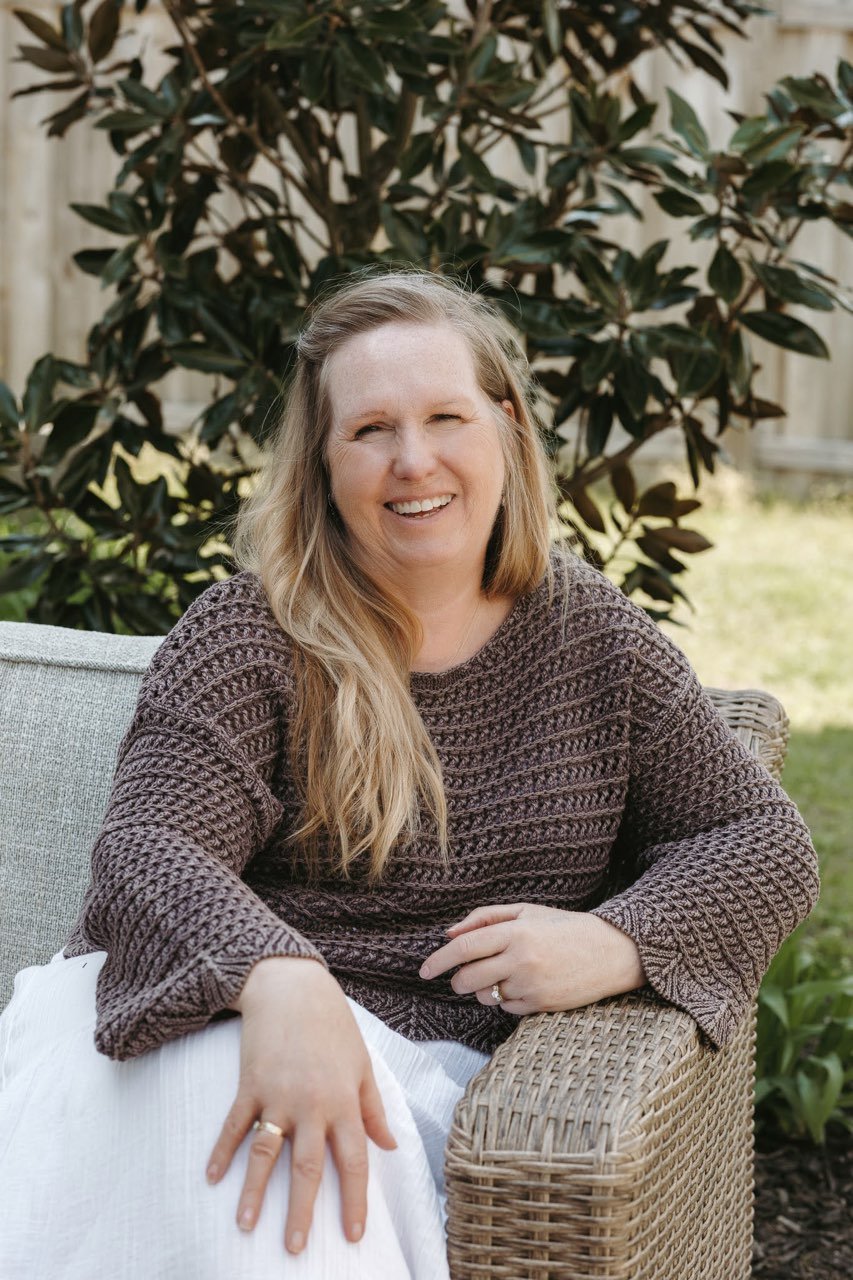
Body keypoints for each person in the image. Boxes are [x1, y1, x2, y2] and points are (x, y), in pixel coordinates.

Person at [0, 270, 819, 1279]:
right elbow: (147, 847)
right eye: (371, 429)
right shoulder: (252, 631)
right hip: (211, 1027)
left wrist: (616, 938)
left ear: (507, 430)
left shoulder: (591, 639)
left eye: (445, 416)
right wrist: (280, 973)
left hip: (426, 1076)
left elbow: (762, 841)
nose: (414, 459)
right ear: (324, 463)